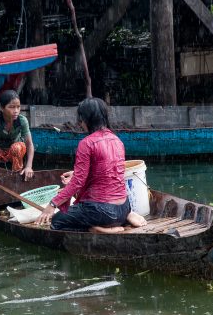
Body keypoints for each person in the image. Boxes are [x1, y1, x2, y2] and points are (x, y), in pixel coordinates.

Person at [35, 97, 146, 232]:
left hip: (101, 212)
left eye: (81, 119)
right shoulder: (117, 140)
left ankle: (100, 229)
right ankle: (125, 218)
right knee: (103, 209)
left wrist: (52, 204)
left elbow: (77, 183)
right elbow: (108, 171)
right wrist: (76, 173)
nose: (80, 123)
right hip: (124, 207)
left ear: (86, 119)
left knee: (57, 222)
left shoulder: (86, 143)